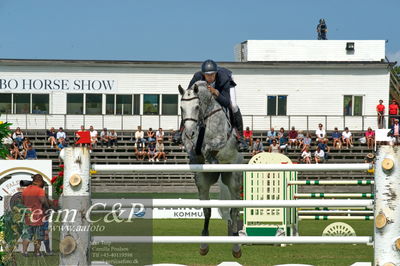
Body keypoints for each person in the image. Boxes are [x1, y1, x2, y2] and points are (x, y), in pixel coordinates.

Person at [187, 59, 248, 150]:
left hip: (225, 85)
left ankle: (240, 138)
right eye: (208, 75)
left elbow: (226, 102)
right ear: (203, 74)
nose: (210, 77)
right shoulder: (197, 77)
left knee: (234, 105)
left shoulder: (223, 78)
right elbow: (188, 95)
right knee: (190, 104)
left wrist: (216, 92)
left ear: (216, 73)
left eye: (213, 74)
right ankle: (180, 131)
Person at [22, 174, 50, 257]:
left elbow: (22, 202)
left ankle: (24, 252)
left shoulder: (25, 190)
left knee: (27, 235)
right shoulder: (40, 190)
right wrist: (48, 205)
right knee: (38, 237)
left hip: (27, 217)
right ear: (40, 181)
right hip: (38, 218)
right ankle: (37, 252)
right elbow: (43, 201)